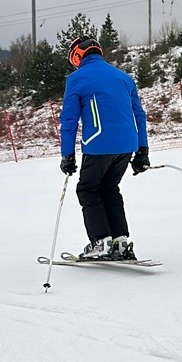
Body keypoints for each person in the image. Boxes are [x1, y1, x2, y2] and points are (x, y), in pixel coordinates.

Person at [59, 36, 151, 261]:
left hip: (98, 143)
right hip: (127, 144)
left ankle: (100, 241)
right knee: (109, 188)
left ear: (78, 56)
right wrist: (142, 151)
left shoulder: (76, 79)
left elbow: (69, 120)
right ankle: (119, 241)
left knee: (88, 189)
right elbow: (139, 114)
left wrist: (67, 155)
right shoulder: (123, 77)